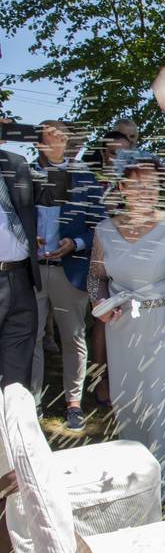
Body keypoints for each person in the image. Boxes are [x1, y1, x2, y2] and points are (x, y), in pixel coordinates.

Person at [87, 151, 165, 502]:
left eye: (151, 184)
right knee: (128, 402)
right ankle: (135, 484)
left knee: (162, 402)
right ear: (121, 186)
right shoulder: (105, 230)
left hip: (164, 327)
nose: (145, 191)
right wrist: (98, 305)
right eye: (136, 184)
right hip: (121, 328)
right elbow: (95, 277)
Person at [29, 120, 105, 429]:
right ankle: (33, 403)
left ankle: (73, 403)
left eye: (61, 137)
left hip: (68, 270)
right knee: (30, 339)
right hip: (30, 271)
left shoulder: (84, 177)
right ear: (39, 143)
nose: (55, 141)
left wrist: (75, 243)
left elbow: (98, 224)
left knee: (72, 338)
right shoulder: (24, 174)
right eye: (49, 137)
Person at [86, 130, 133, 408]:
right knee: (101, 324)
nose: (119, 158)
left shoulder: (137, 181)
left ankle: (126, 381)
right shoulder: (92, 183)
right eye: (114, 152)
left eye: (125, 153)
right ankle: (100, 381)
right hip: (92, 260)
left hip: (131, 261)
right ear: (104, 154)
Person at [0, 145, 40, 389]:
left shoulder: (16, 163)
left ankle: (12, 424)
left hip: (21, 277)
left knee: (17, 373)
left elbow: (43, 201)